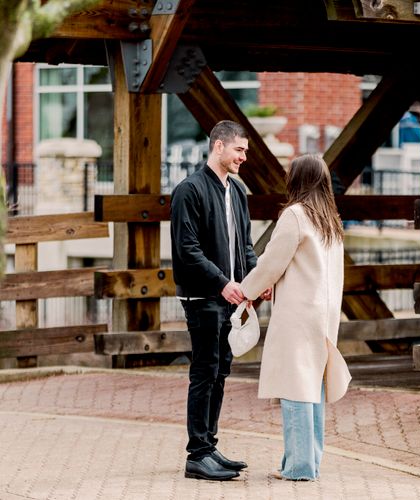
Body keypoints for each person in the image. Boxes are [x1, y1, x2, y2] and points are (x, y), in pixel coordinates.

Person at [240, 154, 352, 481]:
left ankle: (298, 467)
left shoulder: (295, 215)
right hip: (324, 311)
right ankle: (309, 461)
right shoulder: (331, 219)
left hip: (299, 313)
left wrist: (248, 290)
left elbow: (273, 262)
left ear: (298, 180)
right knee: (312, 387)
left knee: (294, 386)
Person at [170, 120, 260, 481]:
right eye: (239, 150)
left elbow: (246, 246)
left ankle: (209, 446)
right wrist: (223, 283)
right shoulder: (188, 191)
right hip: (202, 296)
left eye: (246, 152)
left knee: (221, 370)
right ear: (218, 147)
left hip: (230, 298)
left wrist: (256, 282)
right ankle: (197, 454)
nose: (243, 157)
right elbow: (186, 250)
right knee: (205, 371)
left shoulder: (237, 192)